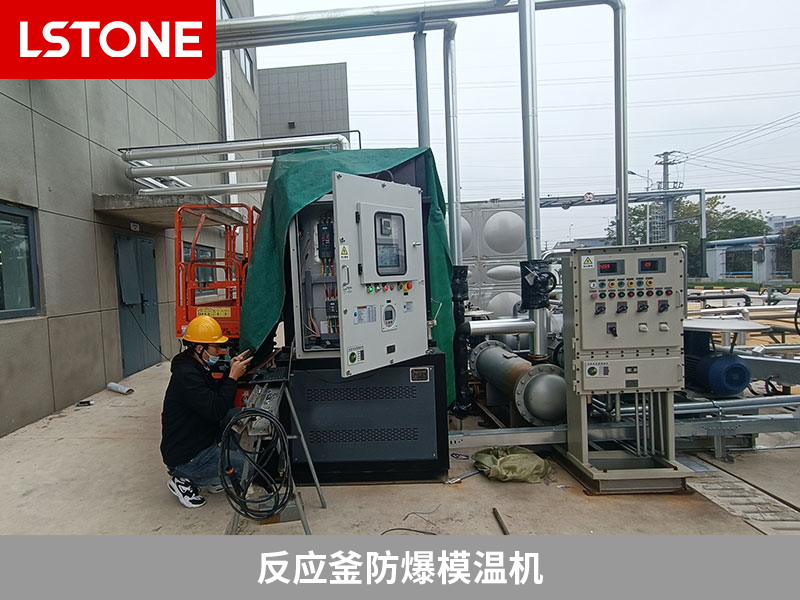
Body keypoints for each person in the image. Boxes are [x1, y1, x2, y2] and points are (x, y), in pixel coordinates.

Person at [160, 315, 253, 508]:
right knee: (248, 469)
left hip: (199, 440)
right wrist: (233, 378)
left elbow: (216, 398)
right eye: (215, 347)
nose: (219, 352)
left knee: (236, 415)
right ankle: (183, 479)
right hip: (188, 456)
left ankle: (216, 475)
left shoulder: (195, 366)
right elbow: (215, 410)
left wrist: (230, 372)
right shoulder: (187, 375)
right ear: (199, 348)